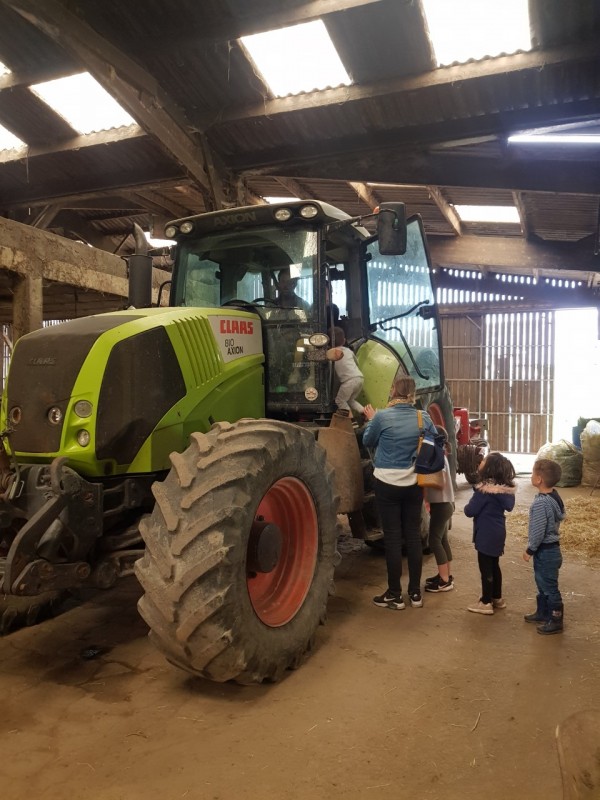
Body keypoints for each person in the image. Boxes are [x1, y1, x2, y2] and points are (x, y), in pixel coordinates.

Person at [362, 375, 436, 610]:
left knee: (393, 538)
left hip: (386, 483)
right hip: (414, 483)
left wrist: (372, 420)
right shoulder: (422, 417)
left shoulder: (382, 416)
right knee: (413, 537)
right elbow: (434, 441)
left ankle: (394, 594)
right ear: (412, 393)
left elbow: (368, 440)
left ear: (394, 390)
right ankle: (415, 594)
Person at [464, 452, 516, 615]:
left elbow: (470, 511)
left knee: (485, 567)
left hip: (485, 533)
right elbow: (508, 507)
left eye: (484, 460)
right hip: (498, 532)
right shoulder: (504, 491)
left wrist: (466, 507)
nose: (481, 461)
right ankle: (497, 598)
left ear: (489, 468)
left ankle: (486, 602)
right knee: (494, 565)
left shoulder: (484, 490)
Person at [522, 458, 566, 635]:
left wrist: (530, 549)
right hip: (550, 550)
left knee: (549, 586)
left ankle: (556, 619)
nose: (531, 476)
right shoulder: (552, 495)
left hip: (546, 551)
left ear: (539, 479)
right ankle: (543, 612)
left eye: (533, 473)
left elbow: (539, 531)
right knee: (542, 583)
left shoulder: (541, 503)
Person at [424, 426, 455, 593]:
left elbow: (440, 481)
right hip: (444, 504)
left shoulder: (438, 457)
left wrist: (422, 478)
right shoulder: (440, 455)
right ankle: (446, 576)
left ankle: (444, 581)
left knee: (434, 541)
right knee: (442, 540)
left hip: (441, 505)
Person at [329, 327, 365, 420]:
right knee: (350, 400)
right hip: (359, 377)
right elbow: (356, 363)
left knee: (339, 400)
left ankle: (351, 422)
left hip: (349, 381)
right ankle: (365, 413)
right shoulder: (348, 351)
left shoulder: (331, 355)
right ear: (344, 340)